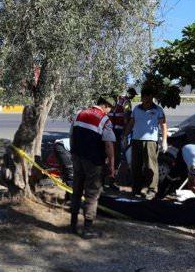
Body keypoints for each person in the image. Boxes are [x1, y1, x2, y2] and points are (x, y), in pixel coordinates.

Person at [69, 96, 116, 239]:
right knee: (92, 192)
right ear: (106, 105)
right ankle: (87, 228)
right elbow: (108, 144)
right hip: (93, 161)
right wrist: (112, 164)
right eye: (110, 109)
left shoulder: (79, 113)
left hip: (77, 157)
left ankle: (73, 223)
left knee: (77, 189)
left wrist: (73, 152)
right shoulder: (104, 120)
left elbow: (71, 135)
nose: (109, 112)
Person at [123, 87, 167, 199]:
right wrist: (125, 136)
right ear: (142, 97)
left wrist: (164, 141)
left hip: (151, 141)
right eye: (144, 97)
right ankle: (136, 189)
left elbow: (163, 125)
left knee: (151, 166)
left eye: (149, 96)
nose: (147, 99)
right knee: (135, 165)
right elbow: (131, 123)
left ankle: (152, 189)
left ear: (152, 97)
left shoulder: (158, 110)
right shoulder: (136, 109)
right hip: (136, 140)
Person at [106, 87, 137, 189]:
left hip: (109, 130)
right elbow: (126, 118)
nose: (132, 97)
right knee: (117, 157)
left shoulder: (113, 100)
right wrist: (125, 134)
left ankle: (106, 180)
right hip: (118, 132)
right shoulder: (126, 102)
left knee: (109, 155)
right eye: (132, 95)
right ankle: (111, 180)